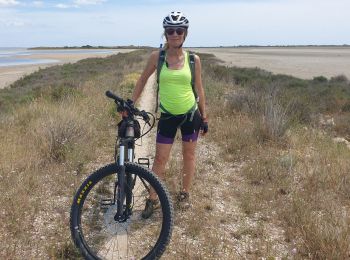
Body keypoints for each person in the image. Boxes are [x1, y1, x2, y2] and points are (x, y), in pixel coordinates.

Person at [131, 11, 208, 218]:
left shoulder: (194, 59)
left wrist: (205, 116)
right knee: (160, 160)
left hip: (190, 115)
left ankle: (184, 194)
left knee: (189, 155)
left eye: (179, 30)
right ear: (165, 34)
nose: (175, 34)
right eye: (170, 30)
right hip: (167, 116)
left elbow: (199, 89)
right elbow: (142, 80)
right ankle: (152, 199)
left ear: (185, 33)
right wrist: (131, 103)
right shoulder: (158, 57)